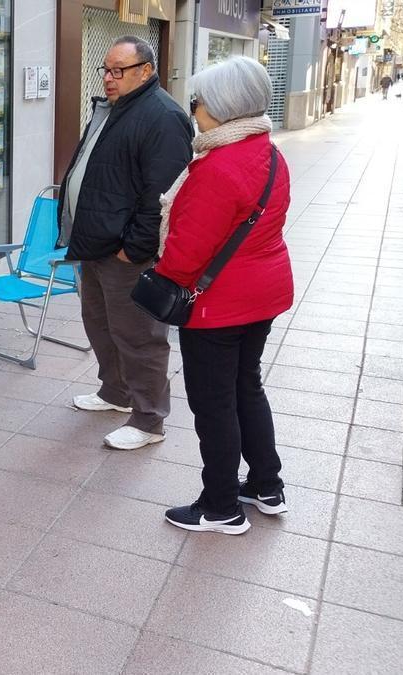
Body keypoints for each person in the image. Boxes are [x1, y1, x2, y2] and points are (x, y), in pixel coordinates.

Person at [154, 57, 293, 535]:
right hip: (263, 294)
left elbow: (185, 253)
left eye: (198, 101)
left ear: (223, 107)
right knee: (245, 387)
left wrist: (163, 271)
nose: (193, 110)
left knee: (214, 403)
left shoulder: (216, 167)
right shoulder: (269, 153)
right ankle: (266, 485)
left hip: (218, 306)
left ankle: (220, 507)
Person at [56, 35, 193, 450]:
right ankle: (115, 392)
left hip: (126, 253)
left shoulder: (163, 116)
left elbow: (163, 195)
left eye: (119, 70)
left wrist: (133, 248)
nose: (109, 78)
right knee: (99, 325)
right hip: (95, 245)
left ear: (146, 71)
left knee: (139, 336)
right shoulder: (113, 108)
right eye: (106, 69)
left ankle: (149, 419)